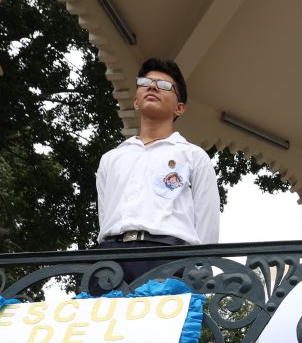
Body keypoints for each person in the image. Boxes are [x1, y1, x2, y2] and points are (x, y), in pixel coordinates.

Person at [94, 58, 220, 287]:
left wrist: (199, 272)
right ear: (135, 101)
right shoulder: (111, 159)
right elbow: (106, 216)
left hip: (168, 258)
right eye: (145, 82)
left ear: (179, 108)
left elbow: (207, 224)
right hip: (110, 259)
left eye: (163, 85)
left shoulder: (193, 156)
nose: (152, 87)